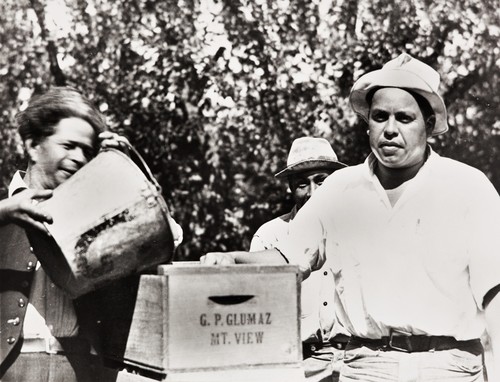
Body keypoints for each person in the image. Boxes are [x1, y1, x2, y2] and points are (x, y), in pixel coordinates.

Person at [201, 53, 500, 381]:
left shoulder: (468, 187)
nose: (389, 130)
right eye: (380, 117)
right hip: (364, 367)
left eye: (404, 118)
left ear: (428, 125)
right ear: (367, 123)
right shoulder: (338, 189)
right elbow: (287, 259)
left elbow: (495, 293)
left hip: (448, 366)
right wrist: (231, 260)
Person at [0, 87, 181, 381]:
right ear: (33, 145)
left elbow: (169, 236)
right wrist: (5, 212)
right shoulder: (3, 208)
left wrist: (129, 175)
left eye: (87, 151)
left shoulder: (95, 213)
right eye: (68, 145)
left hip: (81, 370)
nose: (79, 158)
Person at [250, 136, 349, 382]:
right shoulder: (270, 235)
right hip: (298, 366)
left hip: (354, 363)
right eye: (302, 184)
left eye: (321, 181)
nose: (312, 193)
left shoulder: (358, 228)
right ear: (290, 188)